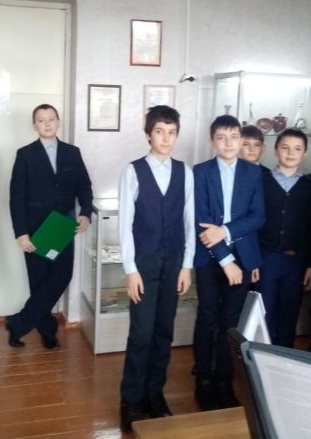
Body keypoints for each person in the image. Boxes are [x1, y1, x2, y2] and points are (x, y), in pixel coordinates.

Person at [118, 105, 194, 432]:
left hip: (173, 260)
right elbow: (125, 225)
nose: (166, 138)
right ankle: (131, 400)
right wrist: (130, 269)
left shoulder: (185, 172)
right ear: (148, 134)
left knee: (164, 331)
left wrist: (187, 265)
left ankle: (154, 393)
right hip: (144, 263)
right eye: (159, 132)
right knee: (141, 332)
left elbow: (189, 221)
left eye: (171, 132)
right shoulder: (133, 171)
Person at [193, 115, 265, 410]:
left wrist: (225, 231)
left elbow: (258, 216)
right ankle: (203, 379)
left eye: (234, 137)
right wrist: (225, 260)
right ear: (212, 141)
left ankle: (224, 380)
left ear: (240, 140)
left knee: (231, 322)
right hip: (210, 259)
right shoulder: (200, 172)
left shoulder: (253, 172)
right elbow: (201, 221)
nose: (228, 143)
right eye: (221, 137)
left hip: (244, 258)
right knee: (207, 319)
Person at [6, 104, 93, 350]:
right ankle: (47, 330)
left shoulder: (72, 153)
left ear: (58, 122)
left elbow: (84, 186)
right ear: (34, 124)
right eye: (41, 120)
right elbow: (16, 198)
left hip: (63, 225)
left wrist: (85, 213)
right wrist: (21, 234)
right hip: (34, 228)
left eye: (51, 119)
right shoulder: (25, 154)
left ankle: (18, 323)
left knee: (62, 276)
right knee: (39, 281)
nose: (47, 124)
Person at [257, 128, 311, 347]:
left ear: (305, 153)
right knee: (264, 313)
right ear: (275, 150)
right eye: (285, 147)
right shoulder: (262, 182)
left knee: (289, 313)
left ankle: (284, 358)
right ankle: (262, 360)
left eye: (297, 149)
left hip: (296, 262)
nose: (290, 153)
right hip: (266, 258)